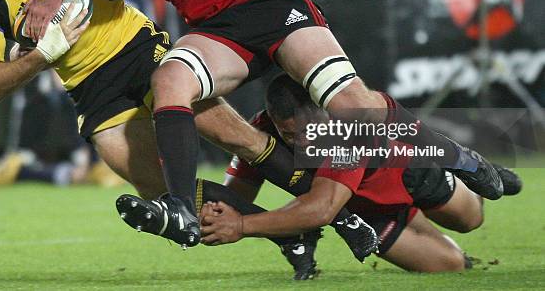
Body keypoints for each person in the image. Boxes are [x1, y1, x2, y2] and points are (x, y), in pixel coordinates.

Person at [22, 0, 503, 248]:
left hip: (266, 0)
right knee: (168, 77)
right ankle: (179, 205)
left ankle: (457, 157)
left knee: (356, 111)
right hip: (217, 27)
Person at [0, 0, 377, 257]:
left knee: (240, 139)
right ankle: (287, 233)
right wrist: (41, 56)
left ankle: (342, 216)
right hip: (91, 89)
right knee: (157, 186)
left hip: (140, 51)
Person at [200, 73, 523, 273]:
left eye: (312, 130)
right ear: (271, 118)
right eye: (291, 135)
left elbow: (321, 208)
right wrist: (216, 210)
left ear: (325, 110)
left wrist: (242, 225)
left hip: (410, 173)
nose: (306, 143)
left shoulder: (350, 128)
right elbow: (240, 192)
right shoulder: (262, 132)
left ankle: (477, 169)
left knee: (470, 221)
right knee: (451, 266)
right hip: (363, 210)